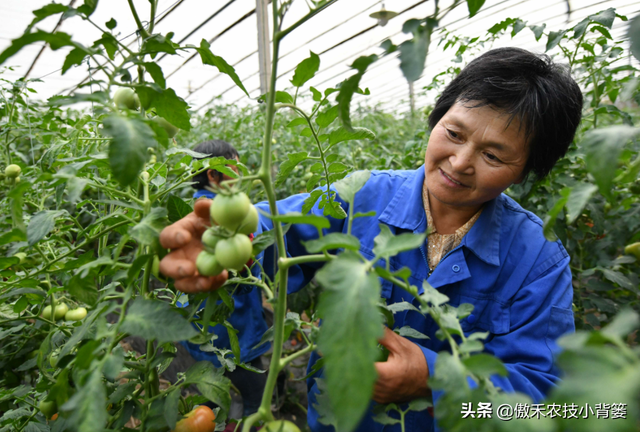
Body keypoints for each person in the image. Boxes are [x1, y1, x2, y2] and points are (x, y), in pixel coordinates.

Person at [159, 48, 583, 431]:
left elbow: (540, 403)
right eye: (454, 133)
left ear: (526, 170)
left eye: (492, 156)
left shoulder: (539, 261)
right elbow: (280, 228)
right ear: (437, 119)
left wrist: (434, 380)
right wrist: (228, 236)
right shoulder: (361, 196)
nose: (459, 162)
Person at [180, 139, 269, 419]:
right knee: (257, 397)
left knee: (215, 396)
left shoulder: (193, 209)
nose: (242, 173)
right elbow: (243, 267)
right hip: (235, 330)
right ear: (213, 173)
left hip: (206, 328)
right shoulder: (221, 214)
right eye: (236, 165)